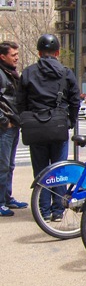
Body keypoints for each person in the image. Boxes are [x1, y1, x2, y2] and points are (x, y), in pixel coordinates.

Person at [17, 34, 80, 222]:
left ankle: (43, 210)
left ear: (39, 53)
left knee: (41, 169)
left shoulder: (28, 72)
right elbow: (75, 100)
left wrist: (26, 119)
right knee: (59, 169)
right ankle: (58, 210)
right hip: (59, 125)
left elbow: (20, 102)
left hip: (36, 126)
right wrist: (71, 121)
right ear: (58, 53)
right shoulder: (66, 73)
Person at [0, 41, 28, 217]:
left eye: (17, 54)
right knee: (2, 166)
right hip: (5, 127)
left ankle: (7, 197)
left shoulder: (10, 73)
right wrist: (4, 121)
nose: (17, 57)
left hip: (13, 124)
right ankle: (1, 202)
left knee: (9, 165)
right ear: (3, 56)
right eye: (13, 55)